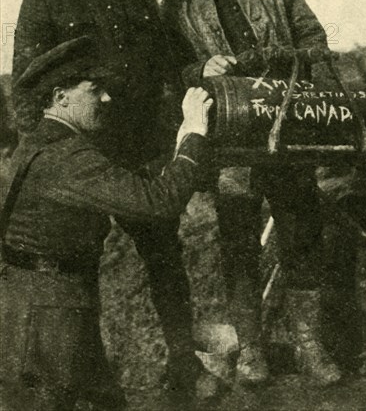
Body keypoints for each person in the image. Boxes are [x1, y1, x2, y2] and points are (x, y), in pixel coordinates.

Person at [11, 0, 200, 399]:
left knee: (164, 257)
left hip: (141, 151)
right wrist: (54, 158)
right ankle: (87, 377)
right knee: (76, 270)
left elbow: (165, 63)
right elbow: (27, 94)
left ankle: (185, 366)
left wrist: (166, 131)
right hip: (81, 161)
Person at [158, 0, 342, 386]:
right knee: (238, 240)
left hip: (288, 124)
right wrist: (199, 69)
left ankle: (310, 346)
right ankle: (252, 350)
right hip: (231, 138)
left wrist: (279, 57)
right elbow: (169, 72)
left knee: (301, 231)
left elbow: (315, 39)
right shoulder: (177, 5)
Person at [0, 36, 214, 410]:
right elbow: (160, 203)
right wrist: (192, 135)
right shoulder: (69, 157)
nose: (107, 99)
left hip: (46, 299)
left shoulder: (40, 143)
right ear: (60, 96)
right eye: (94, 90)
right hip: (50, 312)